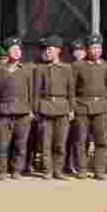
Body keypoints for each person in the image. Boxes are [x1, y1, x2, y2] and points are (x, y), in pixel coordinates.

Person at [71, 33, 107, 180]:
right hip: (82, 107)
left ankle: (99, 170)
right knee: (81, 140)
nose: (96, 51)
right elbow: (72, 88)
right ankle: (82, 169)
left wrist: (105, 102)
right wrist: (74, 106)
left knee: (101, 141)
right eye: (93, 48)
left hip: (102, 108)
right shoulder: (78, 66)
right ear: (87, 49)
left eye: (98, 48)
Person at [0, 37, 35, 179]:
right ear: (7, 52)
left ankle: (17, 170)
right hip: (4, 112)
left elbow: (32, 91)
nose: (16, 52)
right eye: (13, 49)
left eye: (18, 49)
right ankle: (1, 170)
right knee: (2, 145)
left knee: (20, 145)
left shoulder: (27, 70)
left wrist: (32, 110)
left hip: (23, 113)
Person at [32, 35, 75, 179]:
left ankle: (58, 170)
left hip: (63, 108)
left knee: (60, 143)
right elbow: (36, 92)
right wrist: (36, 110)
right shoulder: (40, 69)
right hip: (45, 108)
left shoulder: (67, 68)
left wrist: (71, 109)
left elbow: (71, 91)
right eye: (46, 49)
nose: (47, 52)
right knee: (46, 142)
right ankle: (47, 170)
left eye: (50, 49)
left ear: (58, 51)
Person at [65, 38, 88, 173]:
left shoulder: (88, 66)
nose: (78, 53)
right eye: (75, 51)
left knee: (84, 138)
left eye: (81, 50)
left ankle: (81, 163)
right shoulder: (70, 67)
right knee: (72, 138)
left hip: (87, 107)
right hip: (75, 106)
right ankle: (70, 164)